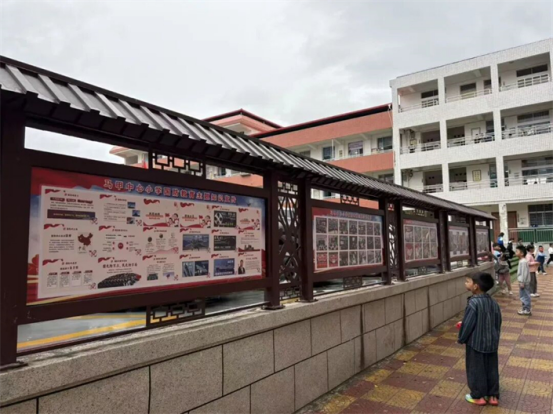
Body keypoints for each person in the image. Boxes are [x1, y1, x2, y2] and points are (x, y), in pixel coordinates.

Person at [458, 272, 502, 407]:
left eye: (467, 281)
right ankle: (493, 396)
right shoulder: (493, 302)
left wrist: (461, 338)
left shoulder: (473, 303)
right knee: (491, 368)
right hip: (491, 342)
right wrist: (495, 338)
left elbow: (468, 324)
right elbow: (498, 322)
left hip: (475, 343)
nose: (465, 283)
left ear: (475, 286)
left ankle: (478, 396)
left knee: (476, 369)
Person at [516, 245, 532, 316]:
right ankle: (524, 308)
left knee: (524, 296)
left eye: (517, 251)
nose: (516, 253)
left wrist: (522, 282)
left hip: (524, 282)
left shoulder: (523, 262)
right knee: (523, 295)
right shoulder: (522, 261)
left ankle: (527, 309)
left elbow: (524, 273)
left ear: (522, 253)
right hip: (523, 281)